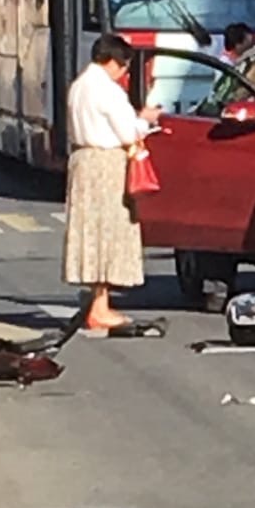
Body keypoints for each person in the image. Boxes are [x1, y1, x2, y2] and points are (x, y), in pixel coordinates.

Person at [63, 33, 162, 329]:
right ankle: (100, 307)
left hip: (83, 161)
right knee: (109, 232)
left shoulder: (79, 86)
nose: (125, 73)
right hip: (106, 165)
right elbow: (129, 133)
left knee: (90, 232)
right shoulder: (108, 90)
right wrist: (146, 118)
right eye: (124, 66)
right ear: (113, 62)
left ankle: (97, 302)